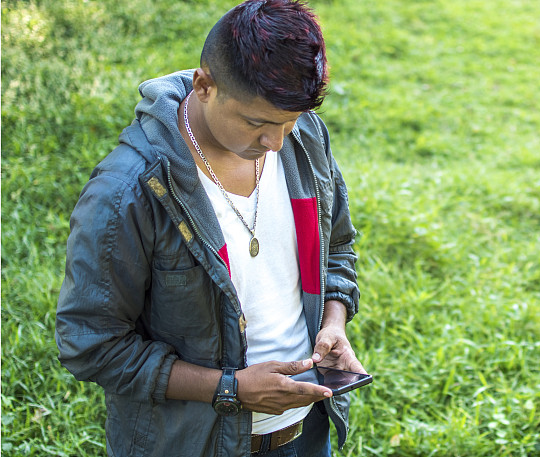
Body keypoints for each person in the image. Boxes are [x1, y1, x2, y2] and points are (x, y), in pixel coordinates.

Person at [55, 1, 365, 455]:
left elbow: (337, 246)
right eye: (256, 122)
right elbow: (92, 345)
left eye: (288, 122)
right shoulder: (129, 192)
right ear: (204, 86)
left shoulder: (305, 139)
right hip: (190, 443)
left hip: (306, 433)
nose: (275, 142)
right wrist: (232, 389)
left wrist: (334, 321)